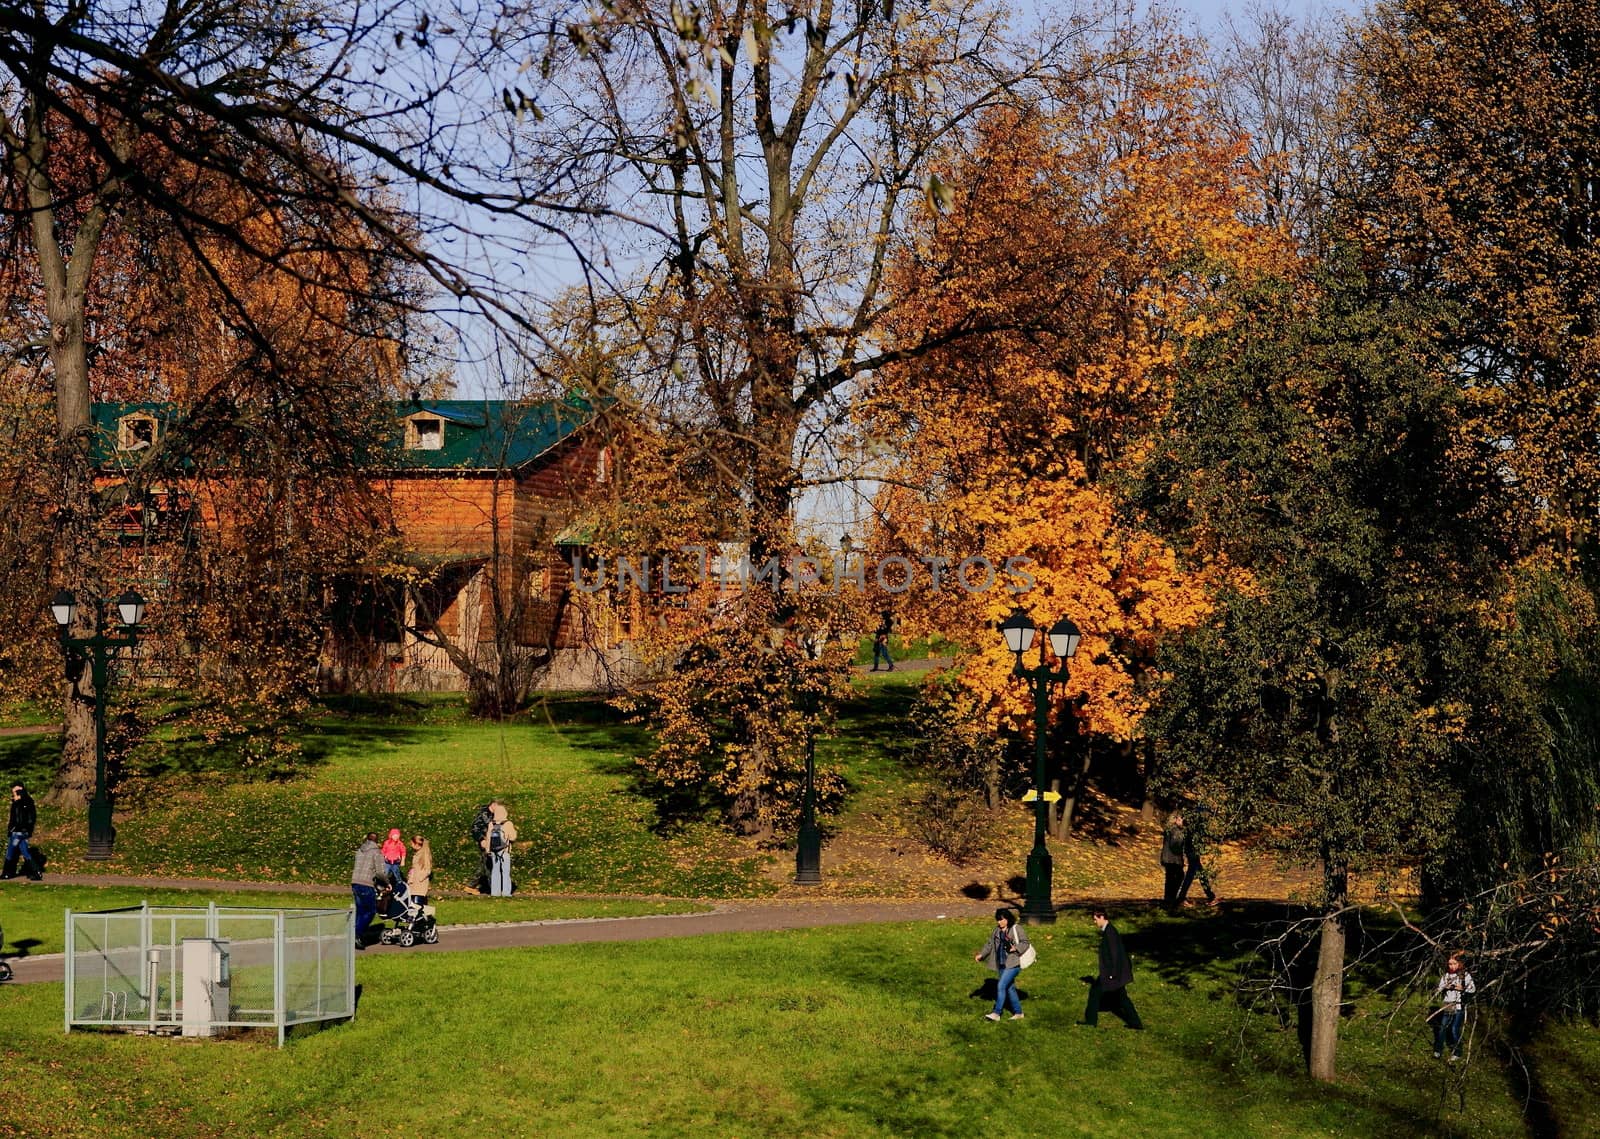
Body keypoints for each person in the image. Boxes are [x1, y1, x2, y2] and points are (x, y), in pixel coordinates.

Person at [1082, 909, 1143, 1029]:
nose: (1095, 922)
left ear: (1102, 917)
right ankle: (1136, 1023)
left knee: (1096, 993)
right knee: (1121, 998)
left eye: (1095, 919)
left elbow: (1115, 955)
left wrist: (1112, 974)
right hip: (1113, 973)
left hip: (1112, 974)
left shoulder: (1110, 932)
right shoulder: (1109, 930)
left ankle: (1091, 1021)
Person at [974, 907, 1031, 1021]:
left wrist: (1016, 948)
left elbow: (1025, 942)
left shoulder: (1016, 928)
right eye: (998, 920)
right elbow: (990, 944)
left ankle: (996, 1013)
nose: (1000, 922)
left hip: (1013, 964)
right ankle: (1019, 1013)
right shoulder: (997, 931)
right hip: (1001, 964)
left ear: (1008, 919)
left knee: (1001, 986)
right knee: (1009, 988)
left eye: (1002, 919)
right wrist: (981, 955)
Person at [1431, 953, 1476, 1060]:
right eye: (1450, 964)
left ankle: (1457, 1052)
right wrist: (1448, 986)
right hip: (1448, 1004)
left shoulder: (1465, 975)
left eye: (1454, 964)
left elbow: (1472, 989)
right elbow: (1439, 988)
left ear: (1459, 964)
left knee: (1454, 1029)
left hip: (1459, 1006)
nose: (1452, 966)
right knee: (1442, 1028)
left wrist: (1463, 988)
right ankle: (1438, 1050)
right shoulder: (1446, 975)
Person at [1176, 804, 1218, 907]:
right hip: (1192, 851)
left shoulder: (1194, 822)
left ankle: (1211, 896)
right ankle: (1181, 898)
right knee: (1191, 875)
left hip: (1193, 850)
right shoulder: (1197, 823)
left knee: (1200, 873)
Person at [351, 831, 386, 948]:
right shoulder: (377, 852)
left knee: (360, 911)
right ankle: (357, 934)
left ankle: (355, 934)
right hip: (366, 884)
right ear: (377, 840)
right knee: (370, 911)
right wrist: (387, 882)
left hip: (355, 882)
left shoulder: (360, 850)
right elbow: (380, 872)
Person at [3, 783, 41, 881]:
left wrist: (12, 829)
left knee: (10, 852)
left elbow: (16, 819)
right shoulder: (28, 802)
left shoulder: (19, 804)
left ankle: (7, 873)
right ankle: (36, 872)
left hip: (17, 832)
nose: (13, 796)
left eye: (15, 793)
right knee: (25, 851)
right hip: (24, 832)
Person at [481, 802, 517, 896]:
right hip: (504, 851)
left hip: (494, 851)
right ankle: (506, 892)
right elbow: (513, 837)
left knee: (495, 871)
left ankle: (495, 892)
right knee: (505, 871)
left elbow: (488, 838)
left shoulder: (491, 824)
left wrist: (488, 850)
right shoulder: (508, 823)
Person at [1160, 812, 1186, 906]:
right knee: (1178, 876)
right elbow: (1175, 844)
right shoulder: (1175, 830)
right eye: (1180, 819)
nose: (1182, 821)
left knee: (1170, 878)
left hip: (1167, 858)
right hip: (1173, 859)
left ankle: (1168, 899)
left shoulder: (1169, 829)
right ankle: (1171, 898)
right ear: (1175, 820)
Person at [406, 833, 433, 905]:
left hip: (419, 884)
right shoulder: (417, 854)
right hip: (414, 883)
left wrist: (419, 877)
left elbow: (427, 870)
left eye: (412, 843)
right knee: (413, 904)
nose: (411, 845)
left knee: (417, 905)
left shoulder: (424, 855)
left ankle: (427, 915)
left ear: (416, 844)